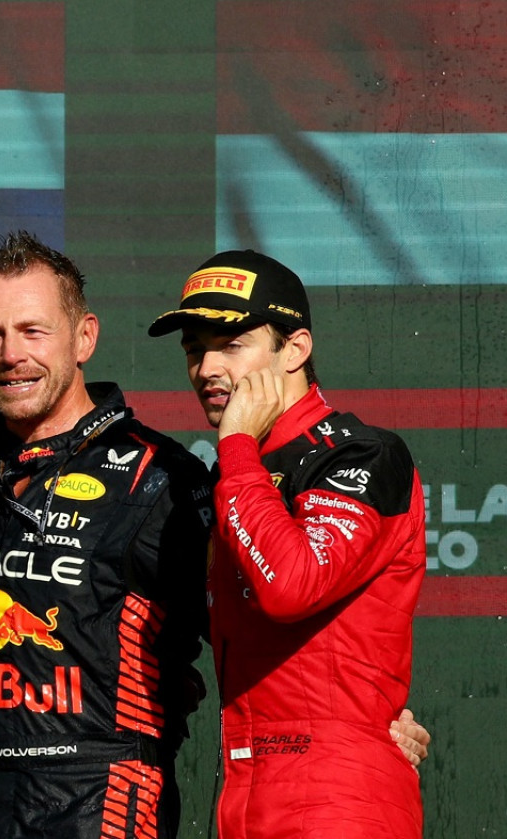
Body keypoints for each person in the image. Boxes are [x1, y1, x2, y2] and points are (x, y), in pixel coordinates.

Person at [0, 232, 214, 838]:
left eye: (33, 331)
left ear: (84, 336)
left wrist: (363, 712)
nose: (11, 354)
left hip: (103, 801)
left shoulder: (161, 476)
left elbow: (248, 627)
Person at [148, 249, 426, 837]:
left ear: (295, 349)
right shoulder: (238, 474)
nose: (206, 368)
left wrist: (239, 449)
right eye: (194, 349)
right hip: (247, 796)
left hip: (339, 801)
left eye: (231, 344)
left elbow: (292, 587)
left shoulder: (365, 454)